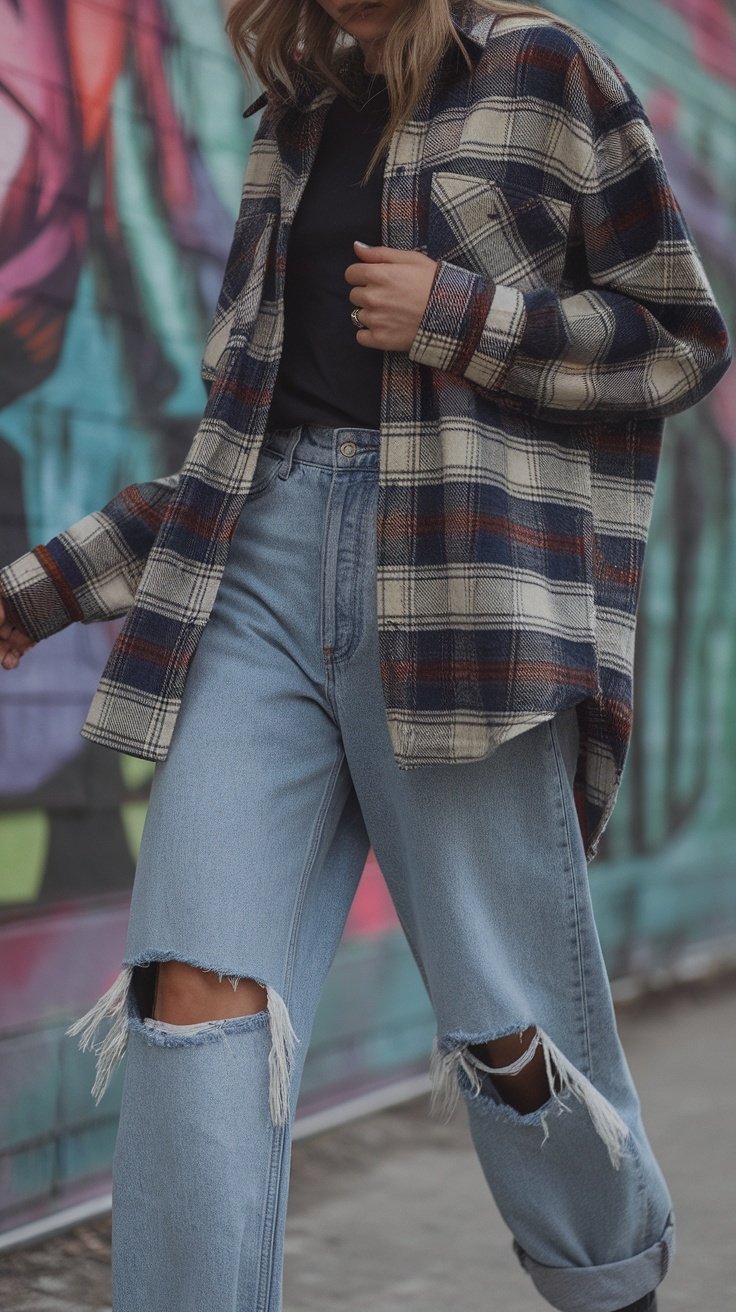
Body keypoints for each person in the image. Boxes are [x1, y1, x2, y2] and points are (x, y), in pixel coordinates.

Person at [0, 0, 731, 1308]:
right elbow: (240, 446)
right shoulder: (295, 120)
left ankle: (611, 1282)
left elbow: (677, 338)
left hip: (459, 599)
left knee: (512, 1030)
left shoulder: (545, 69)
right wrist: (48, 588)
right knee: (193, 998)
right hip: (265, 581)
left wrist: (465, 314)